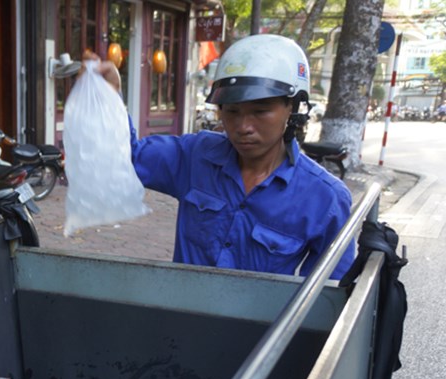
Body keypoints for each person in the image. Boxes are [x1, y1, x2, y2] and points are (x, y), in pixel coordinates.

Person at [82, 34, 355, 280]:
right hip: (181, 325)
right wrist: (109, 96)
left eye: (260, 111)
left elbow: (328, 298)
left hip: (264, 334)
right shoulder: (195, 156)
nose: (243, 126)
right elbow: (127, 158)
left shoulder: (325, 198)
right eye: (232, 111)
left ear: (293, 109)